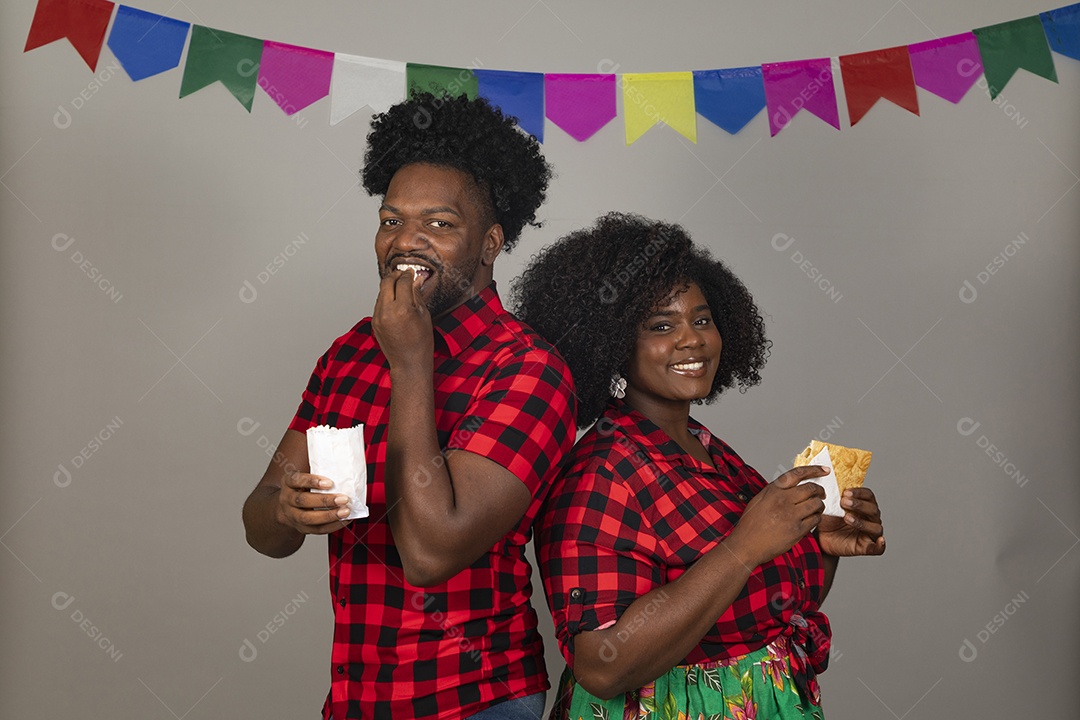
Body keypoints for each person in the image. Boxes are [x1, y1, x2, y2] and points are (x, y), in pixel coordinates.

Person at [242, 93, 577, 720]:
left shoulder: (529, 371)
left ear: (491, 243)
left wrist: (410, 361)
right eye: (391, 219)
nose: (406, 241)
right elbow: (261, 525)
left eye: (440, 224)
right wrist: (288, 510)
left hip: (473, 700)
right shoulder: (348, 351)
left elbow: (430, 553)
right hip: (358, 700)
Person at [511, 213, 885, 719]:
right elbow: (602, 667)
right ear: (612, 342)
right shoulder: (600, 474)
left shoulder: (709, 451)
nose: (693, 340)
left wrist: (825, 548)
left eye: (702, 319)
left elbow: (760, 611)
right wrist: (744, 546)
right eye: (661, 326)